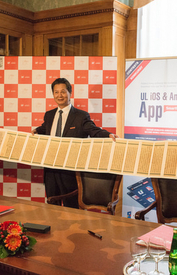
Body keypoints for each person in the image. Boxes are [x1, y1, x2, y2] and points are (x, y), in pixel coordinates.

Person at [32, 78, 118, 208]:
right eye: (56, 92)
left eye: (63, 92)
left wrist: (108, 135)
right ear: (53, 94)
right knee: (51, 204)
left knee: (70, 206)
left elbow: (93, 130)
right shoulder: (49, 115)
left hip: (69, 170)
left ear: (70, 93)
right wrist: (37, 131)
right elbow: (45, 128)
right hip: (50, 169)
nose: (59, 95)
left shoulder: (80, 116)